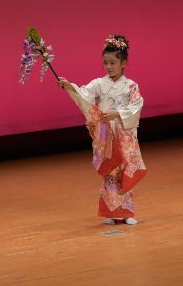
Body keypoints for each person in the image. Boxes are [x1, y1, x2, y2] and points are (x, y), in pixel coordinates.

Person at [58, 35, 147, 224]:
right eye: (105, 62)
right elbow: (84, 94)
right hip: (106, 134)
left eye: (113, 63)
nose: (108, 67)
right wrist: (69, 87)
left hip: (123, 133)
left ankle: (126, 212)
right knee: (110, 171)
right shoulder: (100, 83)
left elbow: (136, 105)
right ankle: (110, 212)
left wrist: (116, 113)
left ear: (124, 63)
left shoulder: (130, 86)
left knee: (123, 170)